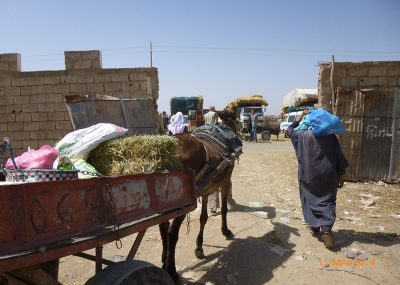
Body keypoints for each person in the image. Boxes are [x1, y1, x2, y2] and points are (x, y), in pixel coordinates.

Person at [287, 108, 348, 249]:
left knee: (308, 198)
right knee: (327, 200)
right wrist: (342, 174)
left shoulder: (301, 135)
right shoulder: (331, 138)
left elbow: (289, 130)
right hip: (328, 174)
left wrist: (300, 117)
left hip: (307, 175)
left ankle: (314, 226)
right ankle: (326, 228)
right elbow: (338, 157)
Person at [203, 106, 221, 215]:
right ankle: (214, 206)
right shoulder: (215, 114)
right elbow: (217, 123)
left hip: (205, 131)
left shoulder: (205, 115)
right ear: (213, 109)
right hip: (213, 132)